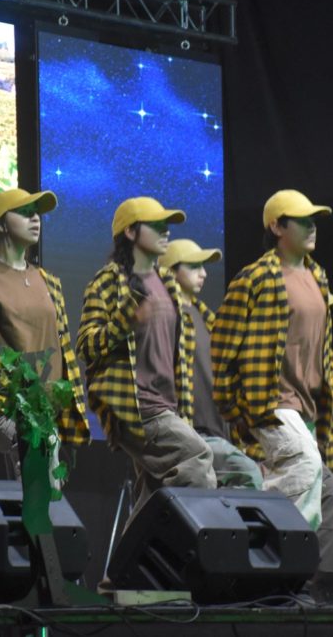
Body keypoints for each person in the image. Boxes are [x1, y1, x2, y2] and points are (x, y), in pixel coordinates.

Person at [211, 189, 333, 600]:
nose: (312, 227)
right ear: (276, 226)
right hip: (271, 403)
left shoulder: (318, 277)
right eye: (302, 220)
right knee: (303, 468)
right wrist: (238, 408)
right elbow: (222, 346)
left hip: (305, 408)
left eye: (314, 220)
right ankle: (275, 574)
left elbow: (324, 357)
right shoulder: (254, 278)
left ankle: (308, 583)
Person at [77, 197, 215, 517]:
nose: (166, 231)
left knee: (152, 494)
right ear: (130, 232)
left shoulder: (167, 282)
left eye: (167, 225)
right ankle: (182, 541)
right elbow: (85, 346)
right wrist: (125, 320)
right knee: (197, 460)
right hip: (135, 405)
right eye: (156, 225)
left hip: (166, 404)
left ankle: (135, 550)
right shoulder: (108, 282)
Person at [0, 188, 90, 476]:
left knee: (43, 496)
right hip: (9, 410)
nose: (35, 219)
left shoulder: (48, 280)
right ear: (0, 225)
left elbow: (63, 349)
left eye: (36, 213)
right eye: (24, 213)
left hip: (47, 414)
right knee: (40, 492)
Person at [160, 238, 261, 489]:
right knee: (248, 475)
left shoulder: (207, 319)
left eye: (203, 267)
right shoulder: (167, 317)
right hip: (192, 432)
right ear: (171, 270)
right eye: (194, 266)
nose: (203, 273)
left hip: (219, 431)